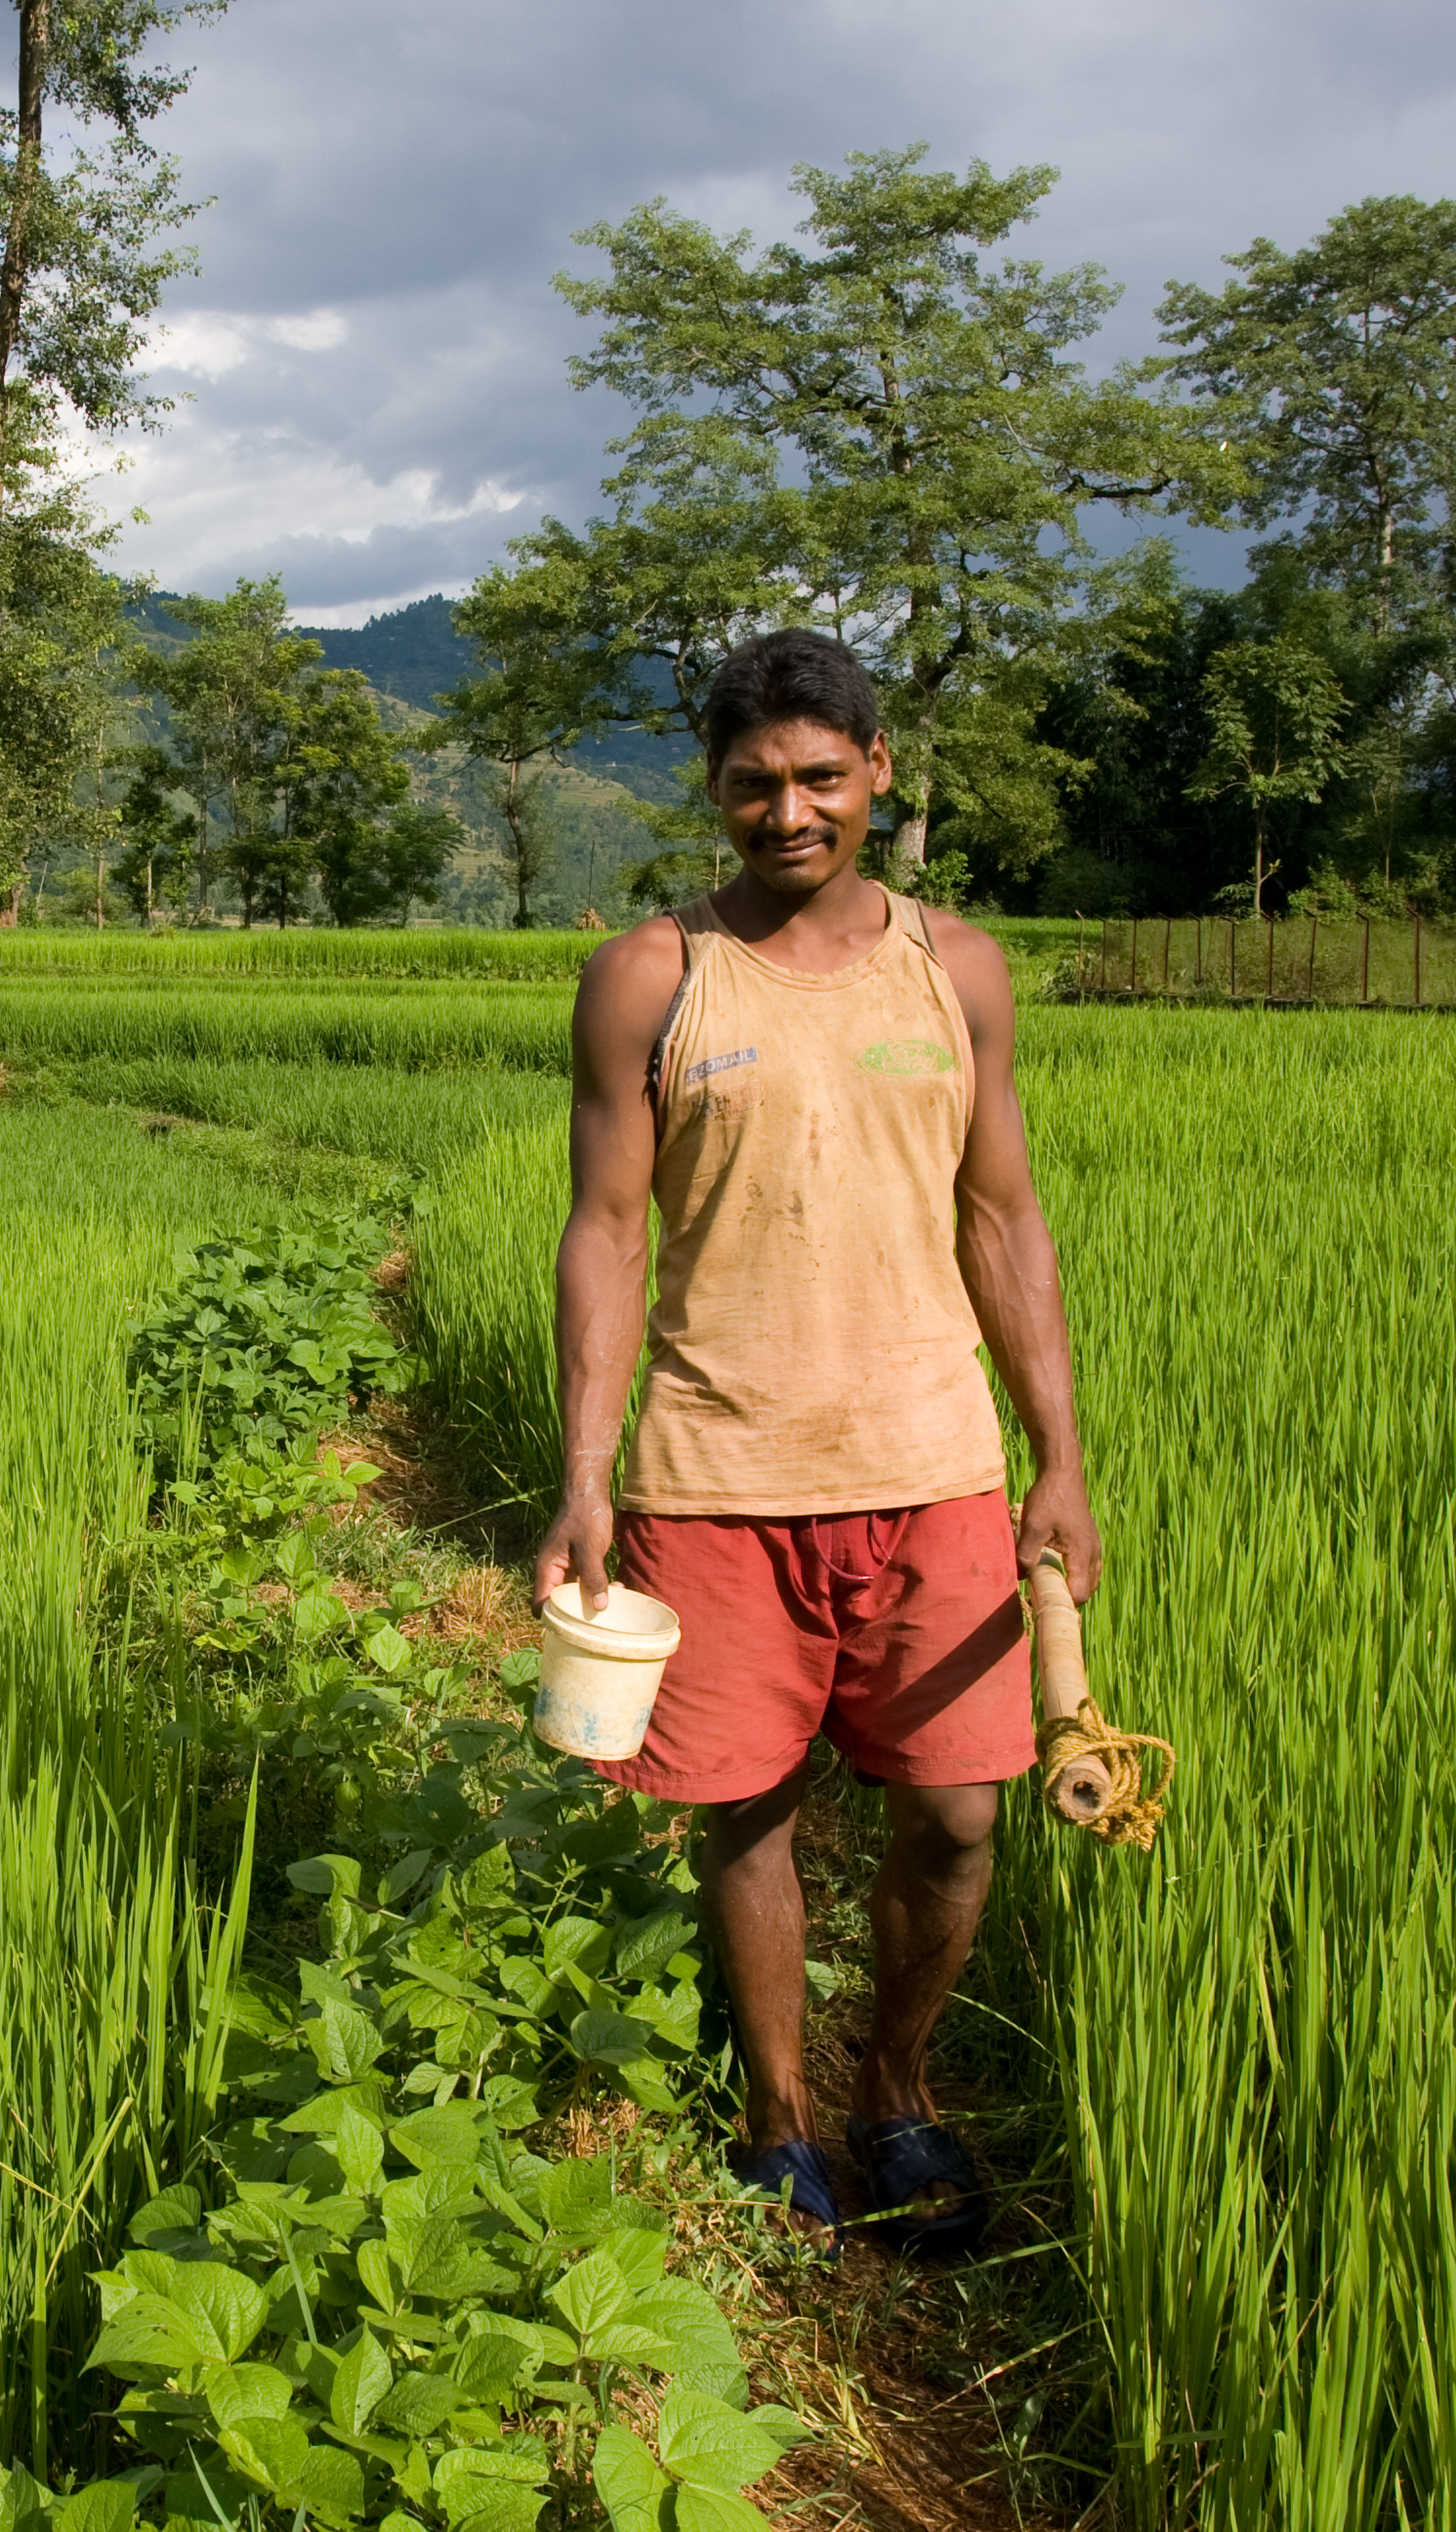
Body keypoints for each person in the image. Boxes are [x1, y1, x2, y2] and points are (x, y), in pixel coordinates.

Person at [530, 627, 1100, 2257]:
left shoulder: (958, 968)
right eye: (753, 783)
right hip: (715, 1474)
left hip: (935, 1468)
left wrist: (1057, 1454)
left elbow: (1002, 1212)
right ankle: (781, 2111)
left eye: (820, 778)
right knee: (750, 1807)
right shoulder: (655, 973)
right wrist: (584, 1480)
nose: (788, 811)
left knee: (961, 1815)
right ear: (713, 791)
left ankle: (898, 2091)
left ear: (879, 776)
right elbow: (607, 1232)